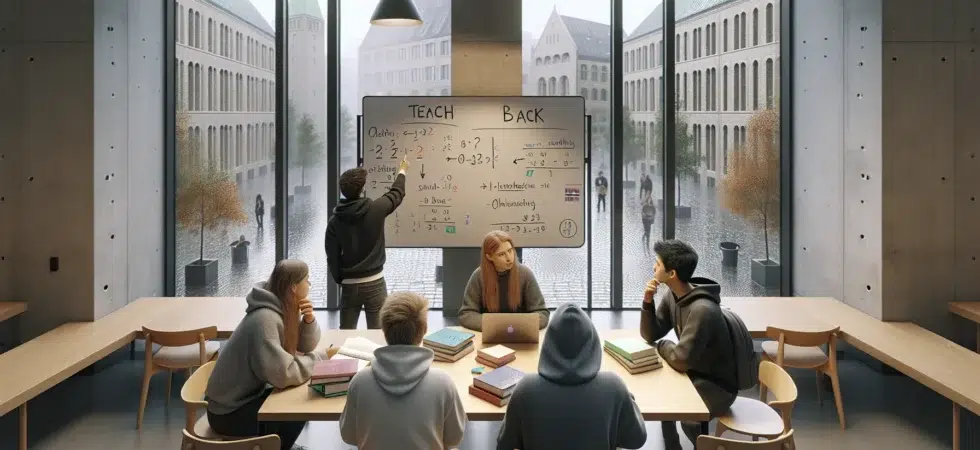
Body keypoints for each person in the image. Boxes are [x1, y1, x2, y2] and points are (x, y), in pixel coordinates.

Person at [205, 259, 324, 450]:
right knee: (299, 407)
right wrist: (318, 361)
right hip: (228, 413)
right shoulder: (265, 320)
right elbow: (283, 373)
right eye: (306, 280)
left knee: (298, 396)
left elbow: (304, 346)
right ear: (293, 287)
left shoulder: (282, 307)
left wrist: (308, 321)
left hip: (244, 399)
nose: (309, 284)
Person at [496, 303, 647, 450]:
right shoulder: (614, 387)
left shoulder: (525, 388)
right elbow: (636, 440)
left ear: (549, 342)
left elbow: (504, 444)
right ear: (592, 341)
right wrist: (628, 398)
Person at [640, 240, 738, 450]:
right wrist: (648, 301)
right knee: (664, 399)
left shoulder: (702, 309)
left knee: (685, 415)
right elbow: (650, 334)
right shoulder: (673, 295)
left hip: (718, 387)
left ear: (671, 274)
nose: (653, 267)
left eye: (657, 264)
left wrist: (663, 345)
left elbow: (681, 359)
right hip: (695, 375)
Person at [340, 291, 466, 450]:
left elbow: (349, 436)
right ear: (424, 329)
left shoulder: (360, 381)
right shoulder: (443, 383)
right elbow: (455, 437)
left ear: (384, 330)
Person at [326, 157, 410, 329]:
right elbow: (396, 194)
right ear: (362, 189)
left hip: (349, 286)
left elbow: (332, 256)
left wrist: (341, 279)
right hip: (375, 283)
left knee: (346, 334)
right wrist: (402, 170)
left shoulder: (335, 221)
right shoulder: (376, 209)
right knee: (378, 333)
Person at [458, 230, 550, 331]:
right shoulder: (479, 276)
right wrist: (498, 326)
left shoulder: (525, 274)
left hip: (519, 334)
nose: (509, 258)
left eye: (510, 251)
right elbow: (466, 314)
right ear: (489, 257)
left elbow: (542, 313)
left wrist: (516, 326)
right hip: (490, 334)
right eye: (501, 254)